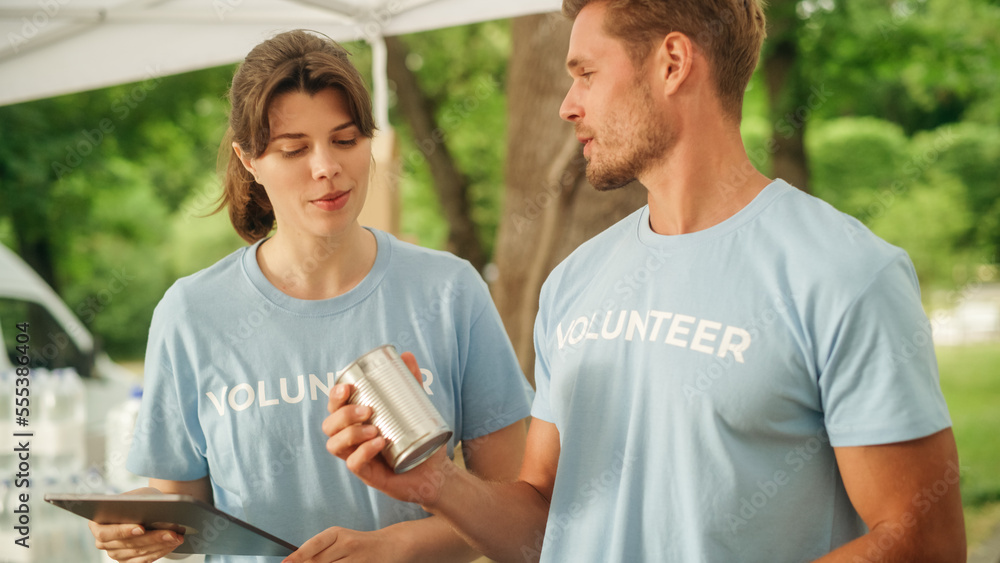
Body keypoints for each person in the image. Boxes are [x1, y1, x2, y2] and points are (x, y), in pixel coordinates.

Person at [324, 1, 967, 561]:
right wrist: (438, 483)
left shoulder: (844, 273)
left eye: (586, 74)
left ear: (672, 63)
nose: (567, 105)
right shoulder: (573, 281)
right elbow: (544, 528)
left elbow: (922, 542)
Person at [87, 29, 533, 563]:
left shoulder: (451, 291)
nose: (326, 167)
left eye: (345, 140)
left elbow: (515, 514)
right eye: (294, 149)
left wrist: (397, 547)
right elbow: (184, 509)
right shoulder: (191, 314)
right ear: (248, 161)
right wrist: (145, 526)